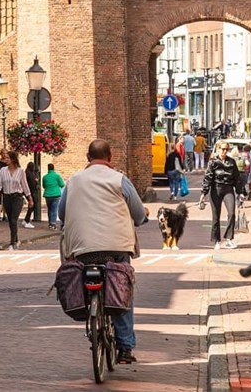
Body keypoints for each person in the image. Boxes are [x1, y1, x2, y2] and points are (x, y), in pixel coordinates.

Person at [58, 139, 148, 365]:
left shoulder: (73, 182)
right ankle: (125, 347)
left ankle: (90, 309)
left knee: (86, 275)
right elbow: (138, 213)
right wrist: (142, 217)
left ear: (88, 158)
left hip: (83, 249)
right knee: (122, 289)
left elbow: (61, 213)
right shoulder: (120, 180)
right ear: (110, 157)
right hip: (116, 248)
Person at [199, 141, 244, 249]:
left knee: (232, 213)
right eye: (223, 149)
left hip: (228, 189)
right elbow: (208, 178)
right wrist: (204, 193)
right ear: (218, 149)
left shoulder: (232, 162)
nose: (224, 151)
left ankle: (229, 238)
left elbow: (237, 179)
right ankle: (216, 241)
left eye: (226, 149)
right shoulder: (213, 162)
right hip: (216, 189)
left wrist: (240, 192)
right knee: (216, 216)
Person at [0, 150, 33, 250]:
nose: (5, 160)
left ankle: (12, 243)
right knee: (11, 221)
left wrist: (30, 199)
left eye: (7, 158)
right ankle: (16, 240)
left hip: (17, 198)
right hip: (7, 197)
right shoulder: (3, 171)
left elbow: (25, 186)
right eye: (5, 158)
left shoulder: (20, 172)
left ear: (13, 159)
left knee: (14, 219)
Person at [42, 162, 65, 229]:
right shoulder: (57, 176)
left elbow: (44, 186)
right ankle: (53, 224)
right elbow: (62, 184)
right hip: (56, 194)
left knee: (49, 209)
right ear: (53, 168)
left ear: (48, 169)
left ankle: (50, 223)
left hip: (47, 195)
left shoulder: (45, 177)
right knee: (54, 209)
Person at [22, 161, 39, 229]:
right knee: (32, 205)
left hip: (30, 192)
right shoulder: (29, 174)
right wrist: (36, 181)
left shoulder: (28, 173)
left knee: (32, 206)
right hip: (31, 192)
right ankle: (27, 220)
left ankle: (26, 219)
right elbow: (32, 183)